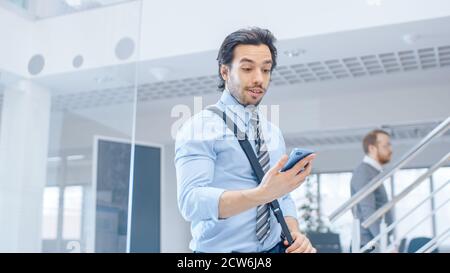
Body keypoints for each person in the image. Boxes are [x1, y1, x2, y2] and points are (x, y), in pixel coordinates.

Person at [174, 27, 316, 253]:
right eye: (248, 68)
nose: (259, 78)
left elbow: (282, 196)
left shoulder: (272, 132)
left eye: (266, 70)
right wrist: (261, 194)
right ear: (224, 72)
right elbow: (191, 202)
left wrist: (295, 233)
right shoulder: (199, 127)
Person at [350, 129, 394, 252]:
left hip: (374, 243)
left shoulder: (373, 172)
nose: (390, 150)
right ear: (372, 148)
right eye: (386, 145)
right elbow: (368, 211)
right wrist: (385, 243)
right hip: (369, 245)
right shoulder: (364, 172)